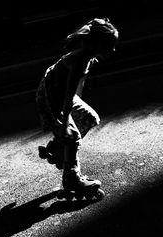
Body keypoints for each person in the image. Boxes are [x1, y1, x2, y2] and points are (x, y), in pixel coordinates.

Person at [36, 18, 118, 193]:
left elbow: (75, 87)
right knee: (73, 137)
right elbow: (67, 91)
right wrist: (65, 122)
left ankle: (58, 147)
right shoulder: (80, 59)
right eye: (110, 45)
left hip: (61, 91)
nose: (113, 49)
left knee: (89, 117)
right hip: (51, 94)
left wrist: (75, 107)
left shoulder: (89, 58)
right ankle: (71, 178)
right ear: (98, 44)